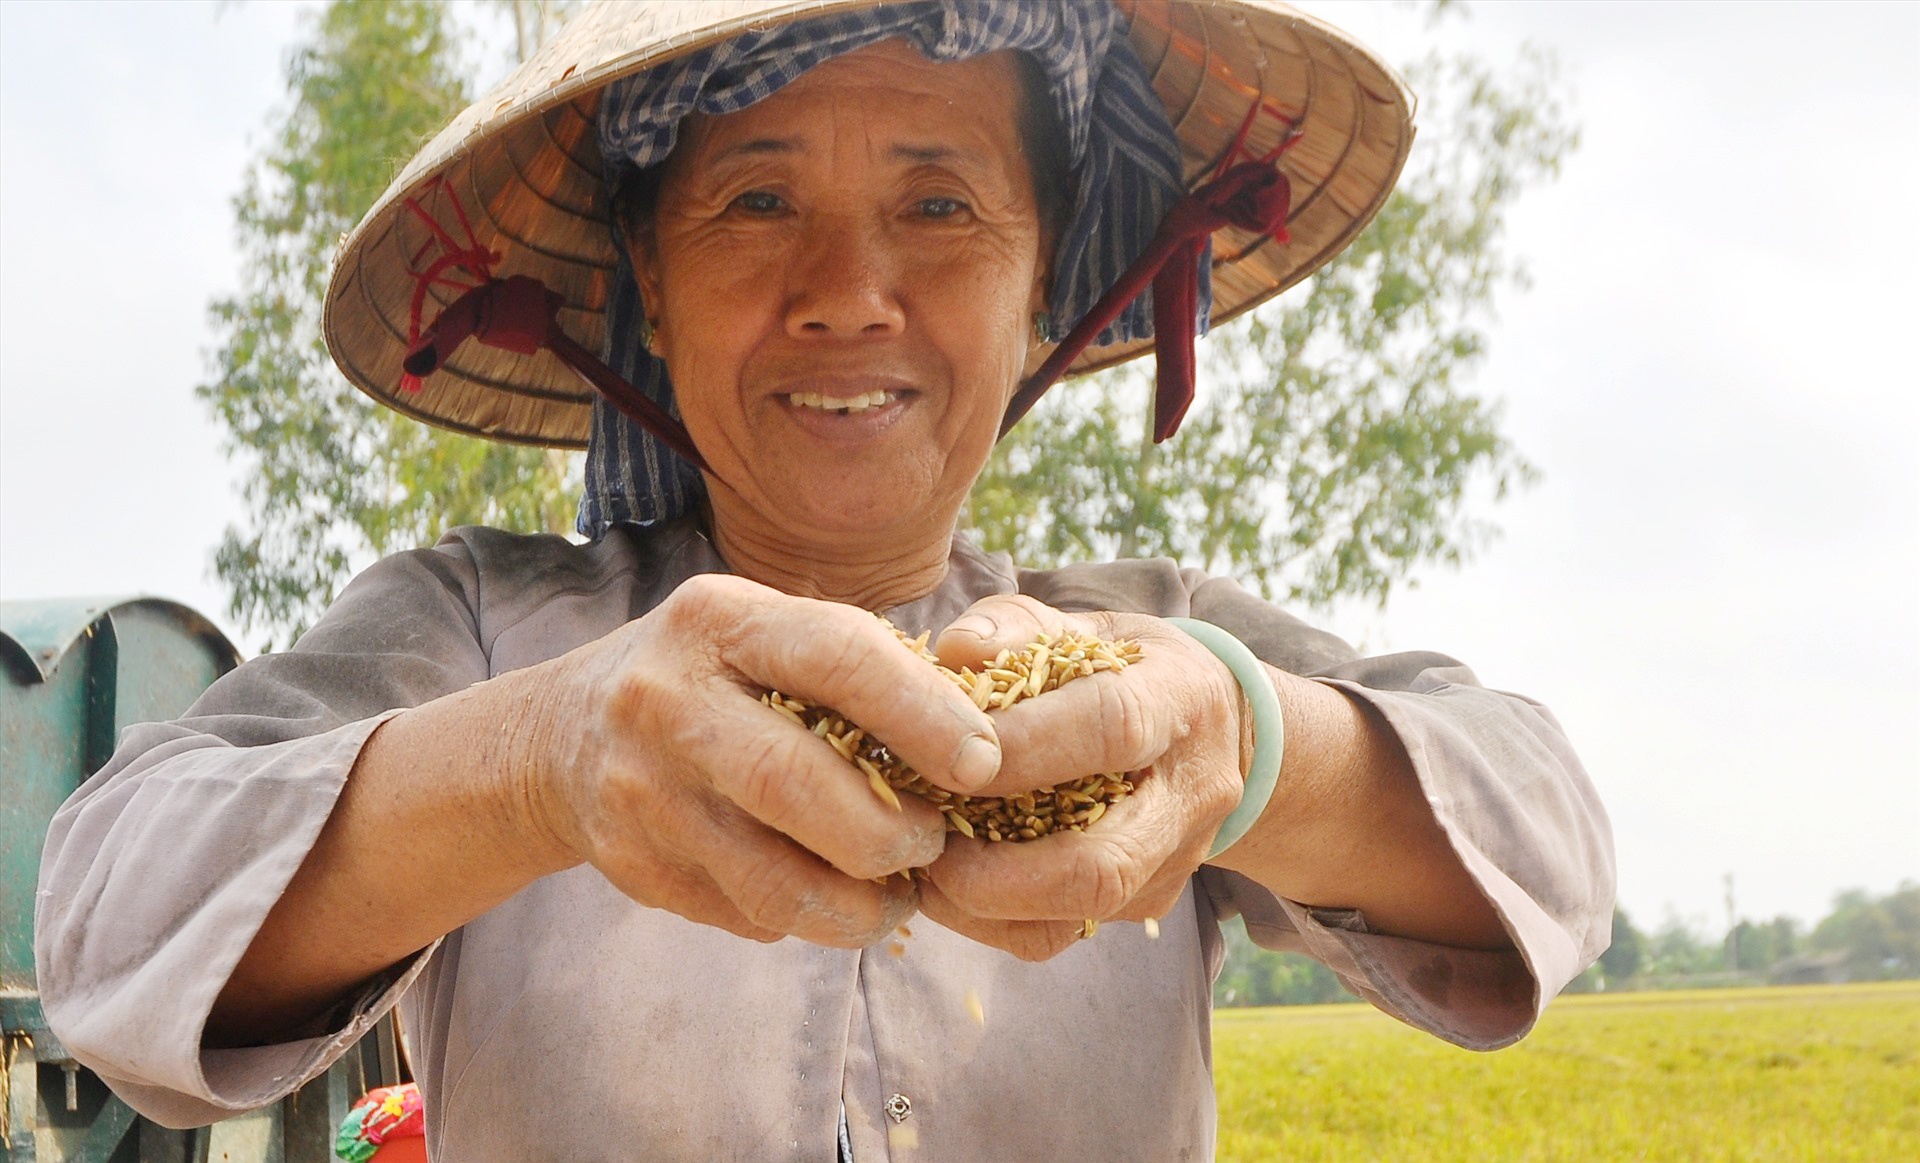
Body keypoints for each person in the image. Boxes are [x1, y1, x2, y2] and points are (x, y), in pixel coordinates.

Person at [35, 2, 1614, 1159]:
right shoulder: (483, 628)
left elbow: (1544, 829)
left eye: (940, 205)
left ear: (1039, 270)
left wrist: (1249, 748)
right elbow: (104, 923)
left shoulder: (1150, 649)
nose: (848, 294)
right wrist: (542, 763)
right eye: (758, 201)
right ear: (648, 281)